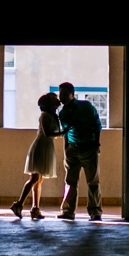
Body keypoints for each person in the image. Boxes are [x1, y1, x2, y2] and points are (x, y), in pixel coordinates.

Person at [55, 81, 103, 221]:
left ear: (72, 94)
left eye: (64, 94)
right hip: (72, 149)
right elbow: (65, 133)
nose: (61, 97)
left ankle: (95, 212)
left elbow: (96, 124)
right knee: (70, 181)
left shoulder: (86, 106)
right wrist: (66, 149)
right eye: (60, 94)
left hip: (88, 147)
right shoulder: (62, 113)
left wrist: (96, 144)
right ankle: (68, 211)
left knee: (93, 181)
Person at [11, 93, 62, 221]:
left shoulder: (54, 116)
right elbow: (48, 133)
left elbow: (55, 134)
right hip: (41, 147)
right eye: (53, 98)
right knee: (34, 177)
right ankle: (19, 204)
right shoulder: (45, 115)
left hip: (47, 147)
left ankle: (35, 208)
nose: (57, 99)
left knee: (39, 179)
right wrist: (65, 132)